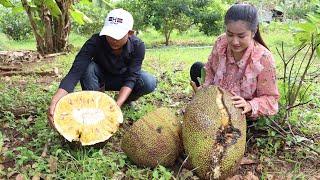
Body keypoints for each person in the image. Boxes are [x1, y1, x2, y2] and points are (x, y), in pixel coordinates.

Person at [48, 8, 157, 127]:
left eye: (118, 35)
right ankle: (94, 107)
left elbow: (132, 77)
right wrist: (56, 100)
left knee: (148, 81)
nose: (113, 39)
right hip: (99, 78)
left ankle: (125, 100)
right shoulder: (95, 42)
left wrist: (117, 105)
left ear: (130, 33)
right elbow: (75, 72)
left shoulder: (138, 46)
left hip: (123, 80)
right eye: (110, 34)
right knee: (88, 68)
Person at [190, 3, 279, 119]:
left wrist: (249, 105)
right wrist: (204, 91)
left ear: (254, 32)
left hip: (240, 113)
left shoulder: (263, 58)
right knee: (197, 67)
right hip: (216, 103)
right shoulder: (221, 42)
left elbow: (271, 100)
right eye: (230, 34)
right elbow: (210, 71)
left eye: (241, 36)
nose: (235, 41)